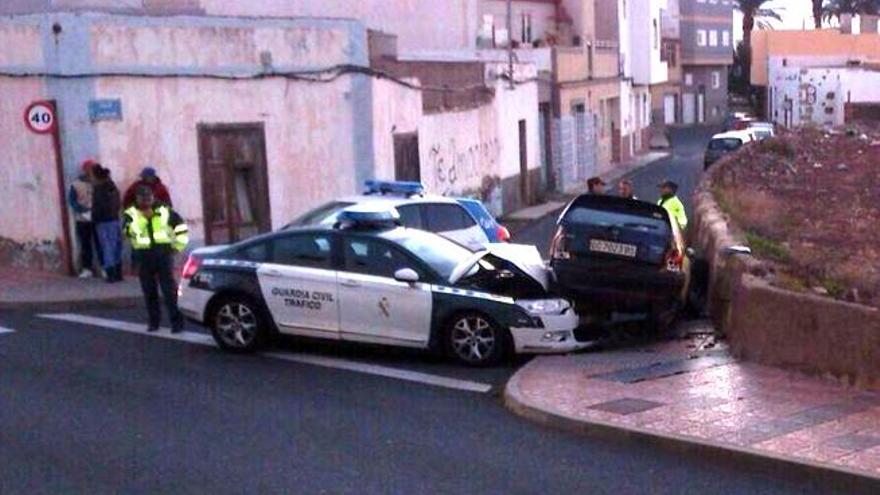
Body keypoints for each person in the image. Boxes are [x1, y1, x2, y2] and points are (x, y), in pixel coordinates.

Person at [123, 186, 189, 332]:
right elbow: (128, 232)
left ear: (153, 197)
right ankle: (154, 323)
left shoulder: (164, 210)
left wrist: (177, 247)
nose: (146, 201)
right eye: (143, 198)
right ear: (137, 199)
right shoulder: (131, 213)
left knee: (170, 292)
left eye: (149, 198)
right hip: (143, 256)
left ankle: (177, 323)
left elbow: (181, 228)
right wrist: (143, 219)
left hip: (163, 255)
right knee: (149, 292)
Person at [68, 159, 102, 278]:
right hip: (82, 219)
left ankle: (103, 267)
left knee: (100, 243)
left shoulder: (99, 182)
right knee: (85, 244)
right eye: (90, 169)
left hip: (98, 217)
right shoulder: (76, 184)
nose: (91, 172)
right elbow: (72, 200)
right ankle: (87, 268)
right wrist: (82, 210)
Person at [91, 165, 124, 283]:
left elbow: (98, 206)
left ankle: (111, 274)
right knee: (115, 246)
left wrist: (94, 217)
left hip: (103, 220)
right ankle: (118, 273)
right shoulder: (112, 187)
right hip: (114, 219)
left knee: (107, 247)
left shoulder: (99, 189)